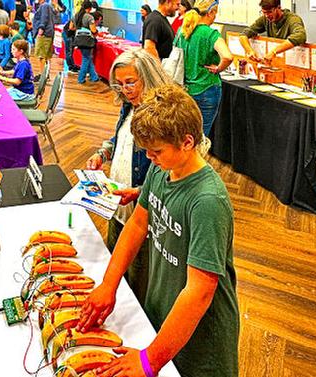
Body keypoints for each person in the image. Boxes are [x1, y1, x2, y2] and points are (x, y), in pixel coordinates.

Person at [77, 84, 239, 377]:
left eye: (157, 151)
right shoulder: (162, 167)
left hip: (201, 340)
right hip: (163, 316)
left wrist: (149, 361)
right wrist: (109, 285)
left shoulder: (207, 201)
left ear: (187, 142)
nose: (150, 158)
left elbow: (200, 291)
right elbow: (138, 223)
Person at [85, 48, 172, 306]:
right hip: (120, 205)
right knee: (115, 268)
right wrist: (103, 153)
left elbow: (171, 174)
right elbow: (120, 138)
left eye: (130, 82)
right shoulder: (129, 107)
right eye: (120, 84)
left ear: (149, 76)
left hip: (142, 212)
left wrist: (140, 192)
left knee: (137, 282)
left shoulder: (163, 116)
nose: (124, 89)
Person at [174, 0, 233, 136]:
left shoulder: (183, 31)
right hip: (207, 89)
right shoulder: (211, 34)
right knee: (201, 136)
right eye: (215, 13)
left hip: (186, 90)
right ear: (210, 12)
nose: (215, 17)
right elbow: (228, 57)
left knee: (186, 133)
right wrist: (218, 68)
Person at [240, 0, 306, 64]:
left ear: (279, 8)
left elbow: (300, 36)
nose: (267, 16)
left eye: (269, 12)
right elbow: (243, 35)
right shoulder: (265, 18)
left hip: (292, 60)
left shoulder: (293, 19)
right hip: (274, 62)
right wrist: (250, 51)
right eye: (264, 12)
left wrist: (274, 52)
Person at [74, 0, 99, 84]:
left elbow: (71, 27)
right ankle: (81, 78)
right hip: (87, 41)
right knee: (86, 59)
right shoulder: (89, 17)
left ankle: (94, 76)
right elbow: (93, 29)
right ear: (89, 8)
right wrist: (96, 33)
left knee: (87, 57)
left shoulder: (76, 16)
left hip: (79, 40)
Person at [32, 0, 56, 82]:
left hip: (44, 33)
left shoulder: (44, 6)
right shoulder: (48, 6)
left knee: (41, 56)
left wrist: (41, 29)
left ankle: (43, 76)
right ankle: (45, 74)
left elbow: (44, 18)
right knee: (46, 56)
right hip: (49, 33)